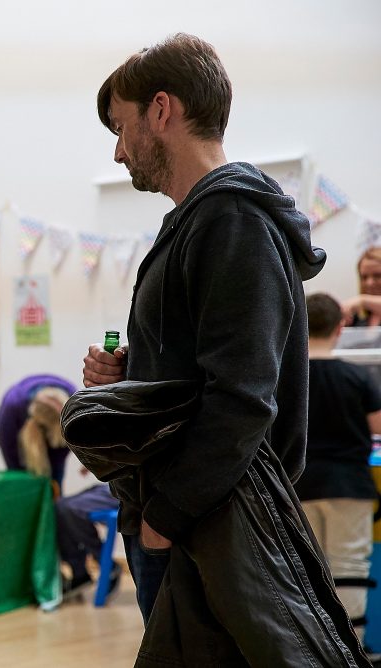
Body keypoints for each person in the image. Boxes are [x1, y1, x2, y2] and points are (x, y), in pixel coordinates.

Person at [82, 33, 368, 665]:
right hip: (191, 522)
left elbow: (242, 399)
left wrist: (167, 515)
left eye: (123, 127)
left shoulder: (231, 221)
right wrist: (132, 375)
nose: (120, 149)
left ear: (162, 110)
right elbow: (204, 371)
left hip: (208, 524)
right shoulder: (198, 222)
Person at [294, 293, 381, 637]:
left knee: (304, 573)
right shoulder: (356, 377)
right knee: (349, 571)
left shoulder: (287, 380)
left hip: (298, 488)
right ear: (341, 327)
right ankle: (352, 650)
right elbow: (378, 427)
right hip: (349, 487)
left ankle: (310, 650)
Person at [9, 381, 120, 600]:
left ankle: (104, 562)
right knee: (60, 508)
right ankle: (79, 572)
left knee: (66, 508)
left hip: (123, 490)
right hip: (112, 487)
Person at [0, 374, 76, 473]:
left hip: (60, 423)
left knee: (55, 475)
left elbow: (65, 448)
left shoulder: (76, 402)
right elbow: (10, 453)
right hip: (17, 420)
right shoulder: (12, 406)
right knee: (22, 475)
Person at [343, 247, 381, 326]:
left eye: (377, 275)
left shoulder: (360, 302)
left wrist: (362, 301)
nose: (369, 283)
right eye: (364, 277)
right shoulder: (356, 318)